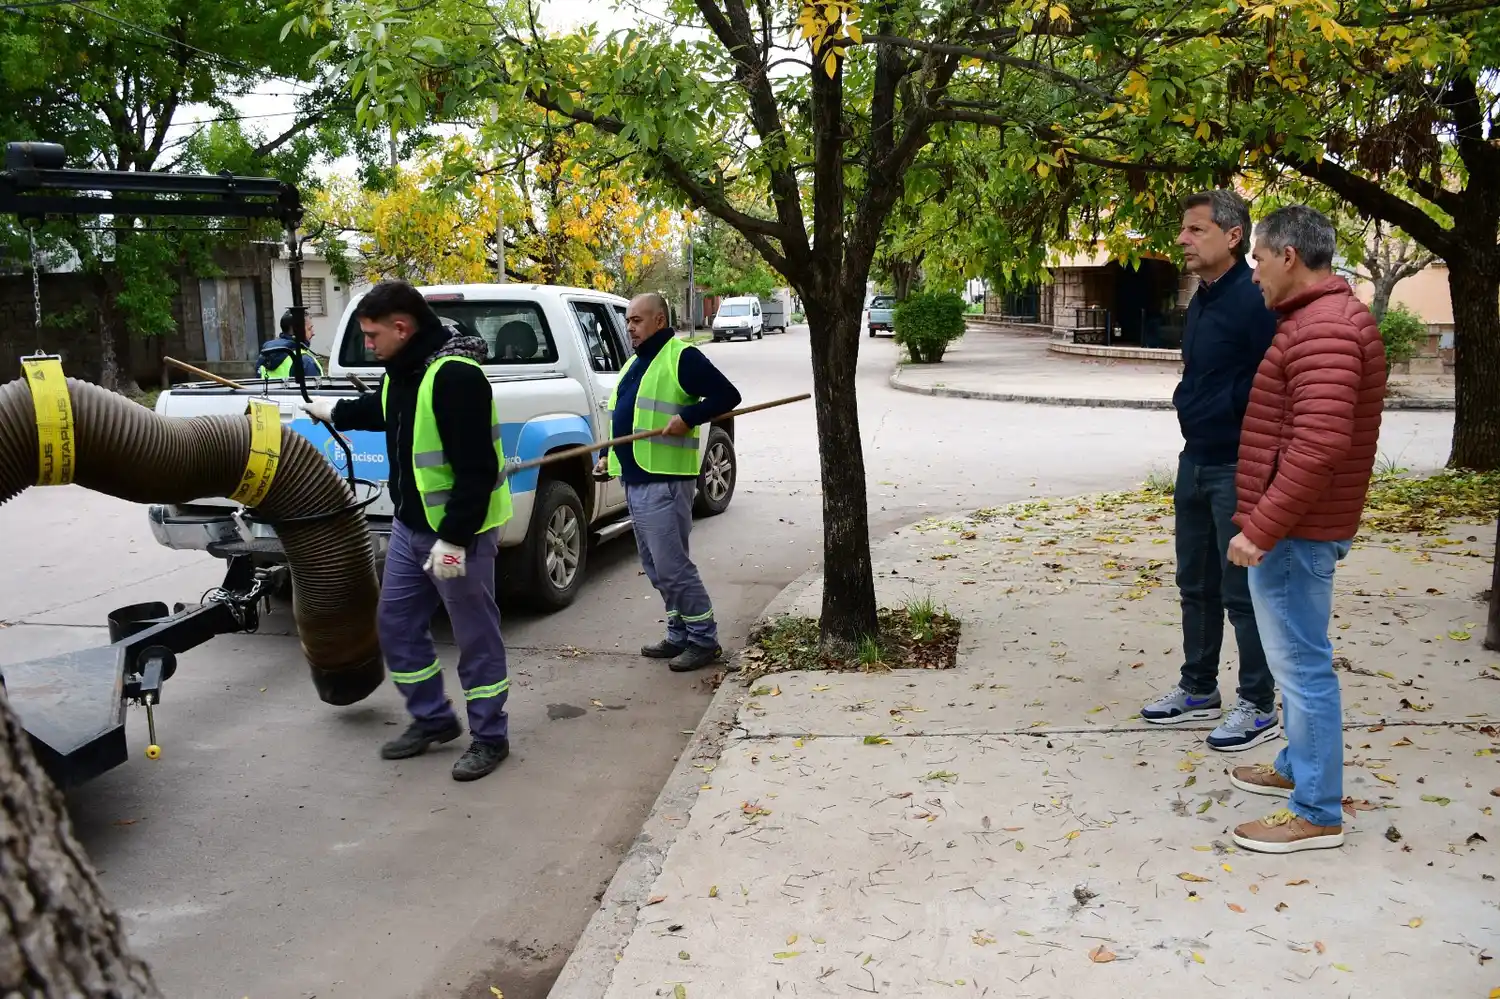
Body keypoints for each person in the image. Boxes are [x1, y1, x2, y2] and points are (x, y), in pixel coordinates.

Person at [298, 279, 514, 782]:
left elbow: (477, 471)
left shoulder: (456, 377)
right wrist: (333, 411)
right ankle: (434, 718)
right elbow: (383, 410)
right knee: (395, 626)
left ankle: (489, 737)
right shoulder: (403, 370)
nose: (367, 344)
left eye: (372, 335)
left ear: (402, 327)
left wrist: (455, 540)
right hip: (410, 530)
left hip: (459, 534)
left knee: (475, 638)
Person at [1225, 205, 1386, 853]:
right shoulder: (1321, 318)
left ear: (1289, 255)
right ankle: (1297, 766)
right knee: (1299, 660)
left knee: (1302, 668)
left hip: (1295, 532)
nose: (1254, 272)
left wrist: (1261, 527)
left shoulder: (1324, 329)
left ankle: (1316, 808)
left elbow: (1318, 446)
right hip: (1300, 526)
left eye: (1258, 259)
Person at [1140, 190, 1281, 752]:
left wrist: (1224, 406)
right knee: (1193, 582)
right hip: (1194, 461)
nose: (1182, 240)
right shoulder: (1203, 297)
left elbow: (1273, 378)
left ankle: (1257, 702)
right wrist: (1192, 403)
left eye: (1195, 230)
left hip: (1238, 467)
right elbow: (1199, 372)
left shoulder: (1254, 299)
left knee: (1241, 589)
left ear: (1233, 236)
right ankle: (1198, 688)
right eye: (1184, 230)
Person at [593, 292, 741, 672]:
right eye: (627, 321)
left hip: (665, 481)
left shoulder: (681, 357)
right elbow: (621, 416)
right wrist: (606, 454)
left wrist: (690, 417)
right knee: (657, 567)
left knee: (673, 566)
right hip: (636, 479)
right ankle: (678, 634)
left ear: (659, 321)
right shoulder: (634, 364)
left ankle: (704, 639)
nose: (629, 328)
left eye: (637, 321)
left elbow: (728, 395)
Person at [257, 308, 325, 379]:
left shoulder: (265, 356)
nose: (313, 333)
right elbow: (316, 389)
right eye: (309, 329)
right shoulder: (306, 362)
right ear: (298, 331)